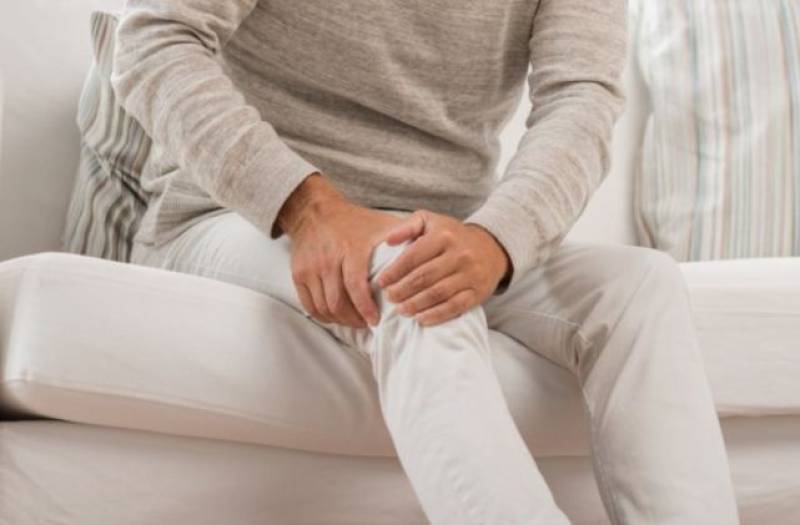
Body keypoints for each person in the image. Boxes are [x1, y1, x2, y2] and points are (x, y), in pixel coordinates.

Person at [113, 0, 740, 523]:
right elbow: (154, 39)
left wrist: (495, 239)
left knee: (641, 285)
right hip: (242, 216)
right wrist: (311, 209)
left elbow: (582, 97)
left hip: (438, 226)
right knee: (415, 287)